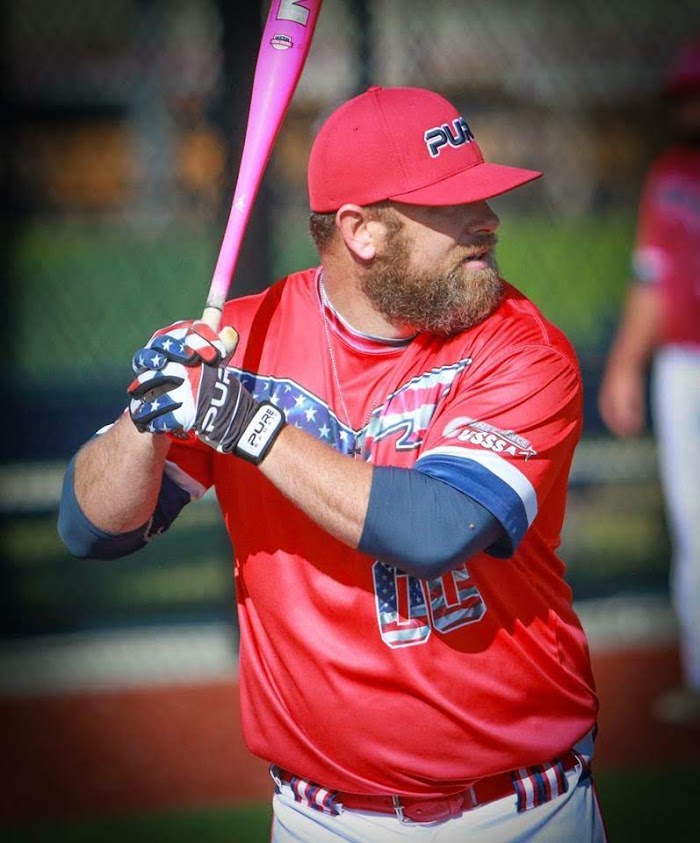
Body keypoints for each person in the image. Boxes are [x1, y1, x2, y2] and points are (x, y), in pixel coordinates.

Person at [58, 86, 606, 841]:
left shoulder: (522, 348)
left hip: (521, 813)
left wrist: (245, 423)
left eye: (483, 197)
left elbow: (435, 526)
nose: (489, 220)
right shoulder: (244, 341)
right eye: (452, 205)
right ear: (361, 230)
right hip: (319, 820)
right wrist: (146, 420)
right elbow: (91, 529)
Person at [598, 39, 700, 728]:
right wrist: (626, 364)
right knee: (693, 523)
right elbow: (651, 278)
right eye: (683, 99)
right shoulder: (671, 175)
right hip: (683, 362)